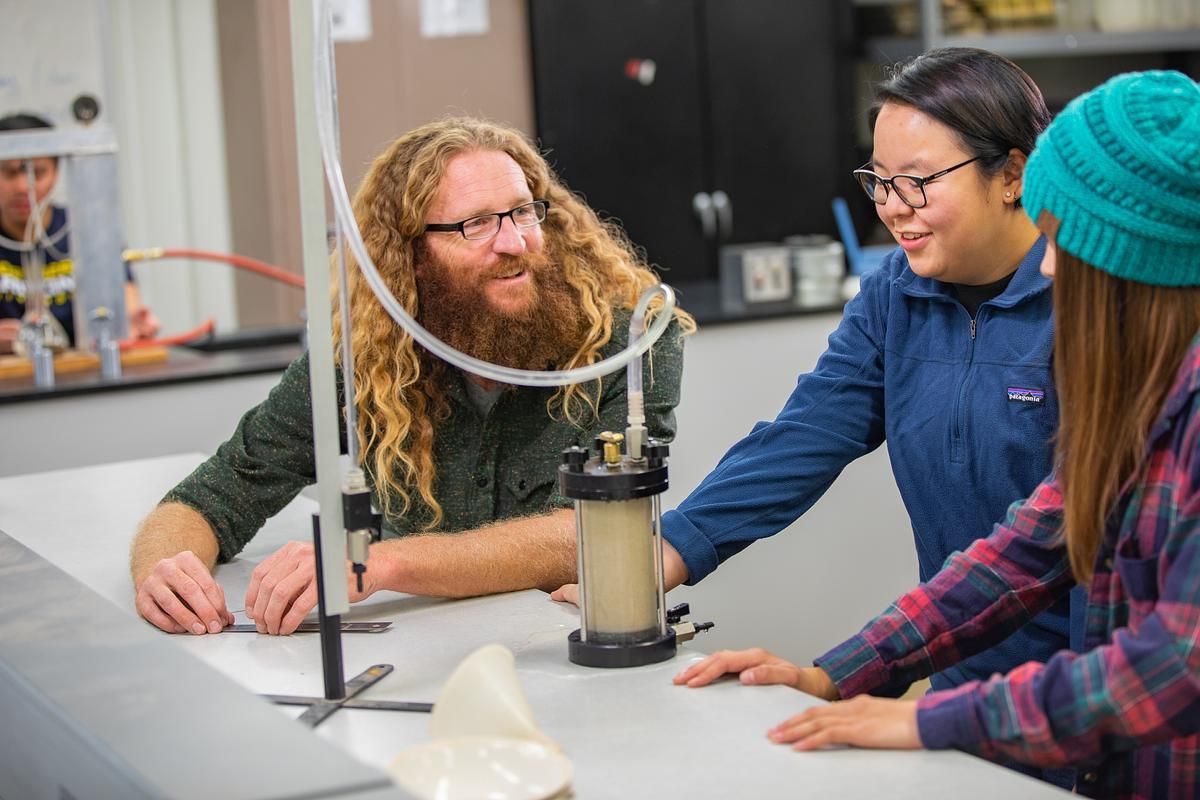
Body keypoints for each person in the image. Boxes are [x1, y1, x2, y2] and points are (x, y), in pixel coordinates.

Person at [676, 69, 1200, 800]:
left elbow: (1171, 668)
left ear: (1133, 265)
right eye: (880, 181)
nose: (1046, 266)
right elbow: (1021, 554)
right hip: (1049, 734)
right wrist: (834, 676)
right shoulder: (1143, 395)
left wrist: (932, 720)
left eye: (1061, 242)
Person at [587, 47, 1080, 694]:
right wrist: (668, 551)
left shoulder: (1084, 302)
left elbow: (1049, 544)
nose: (894, 207)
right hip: (957, 669)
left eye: (919, 181)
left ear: (1011, 173)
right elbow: (805, 435)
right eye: (879, 180)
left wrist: (837, 676)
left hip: (1086, 689)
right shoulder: (896, 297)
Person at [130, 116, 694, 637]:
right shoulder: (367, 355)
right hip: (417, 645)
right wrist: (166, 571)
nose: (515, 243)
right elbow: (219, 490)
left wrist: (381, 563)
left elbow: (601, 528)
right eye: (475, 224)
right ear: (412, 254)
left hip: (568, 642)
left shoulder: (631, 339)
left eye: (524, 211)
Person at [0, 112, 159, 354]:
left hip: (82, 370)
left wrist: (133, 322)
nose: (23, 187)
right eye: (9, 173)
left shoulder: (89, 232)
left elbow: (127, 303)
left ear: (56, 173)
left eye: (38, 173)